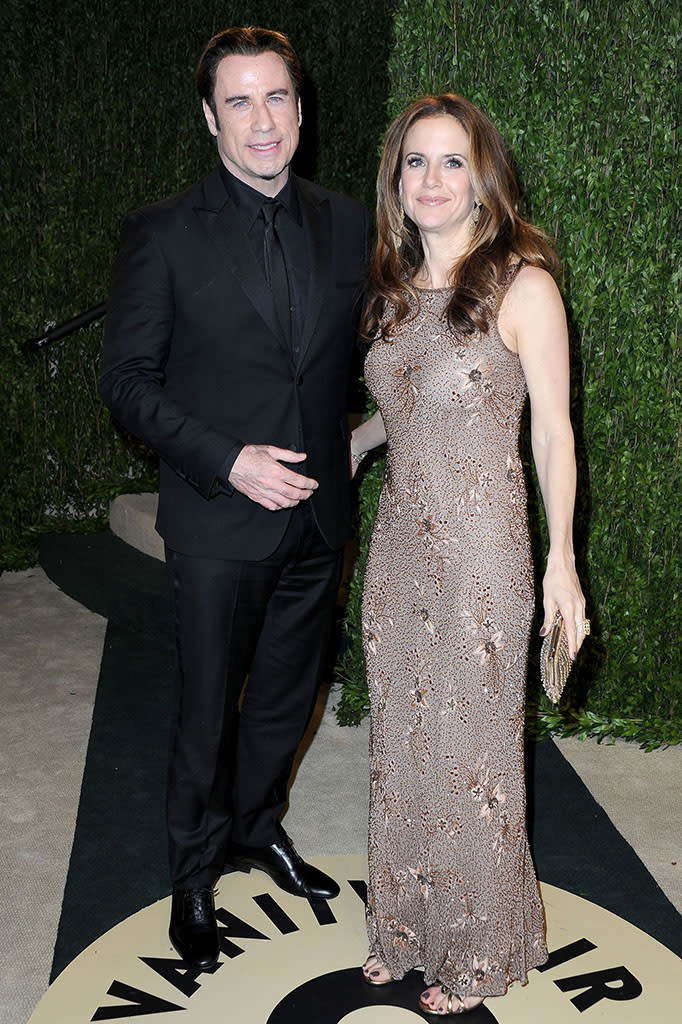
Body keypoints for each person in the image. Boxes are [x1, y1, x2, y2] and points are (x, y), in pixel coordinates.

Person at [99, 26, 369, 971]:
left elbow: (363, 353)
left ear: (302, 109)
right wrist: (228, 459)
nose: (263, 122)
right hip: (218, 516)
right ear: (209, 115)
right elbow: (127, 380)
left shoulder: (347, 221)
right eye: (241, 101)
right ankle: (193, 872)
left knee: (286, 699)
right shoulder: (164, 231)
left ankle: (258, 829)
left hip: (320, 517)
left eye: (279, 99)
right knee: (208, 706)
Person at [349, 94, 588, 1016]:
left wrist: (561, 560)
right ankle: (406, 928)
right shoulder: (395, 291)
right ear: (395, 180)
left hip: (485, 549)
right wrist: (358, 443)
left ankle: (482, 946)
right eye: (415, 162)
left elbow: (556, 436)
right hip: (400, 546)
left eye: (453, 162)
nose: (432, 180)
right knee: (403, 745)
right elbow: (413, 403)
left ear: (483, 175)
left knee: (473, 750)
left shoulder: (522, 284)